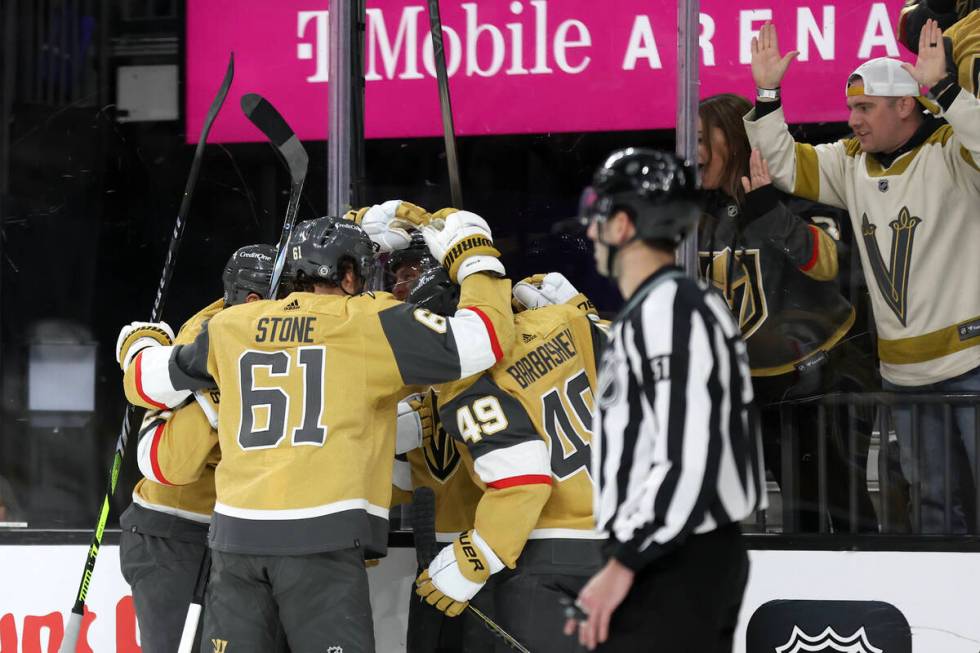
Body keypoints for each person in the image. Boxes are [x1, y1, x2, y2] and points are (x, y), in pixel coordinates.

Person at [115, 206, 514, 653]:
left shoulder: (230, 325)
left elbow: (145, 383)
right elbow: (486, 339)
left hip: (235, 544)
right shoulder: (370, 322)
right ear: (348, 276)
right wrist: (476, 258)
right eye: (361, 273)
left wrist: (140, 343)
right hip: (321, 544)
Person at [745, 20, 980, 532]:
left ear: (904, 106)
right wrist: (768, 95)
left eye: (864, 108)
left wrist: (945, 88)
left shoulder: (954, 152)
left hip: (971, 363)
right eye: (852, 108)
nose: (851, 120)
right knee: (935, 511)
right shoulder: (853, 162)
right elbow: (785, 164)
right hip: (903, 374)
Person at [564, 148, 767, 652]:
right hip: (670, 552)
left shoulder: (672, 310)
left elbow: (686, 457)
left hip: (675, 558)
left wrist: (624, 563)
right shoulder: (659, 309)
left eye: (600, 217)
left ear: (625, 224)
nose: (591, 231)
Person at [697, 93, 877, 533]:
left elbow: (829, 264)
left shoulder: (792, 189)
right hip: (767, 385)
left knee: (845, 508)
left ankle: (868, 594)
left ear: (736, 139)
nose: (693, 152)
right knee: (799, 516)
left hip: (829, 375)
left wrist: (768, 213)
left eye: (702, 139)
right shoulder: (703, 215)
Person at [410, 267, 607, 653]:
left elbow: (525, 481)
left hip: (546, 554)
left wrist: (472, 560)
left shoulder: (468, 382)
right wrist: (584, 310)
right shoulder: (566, 319)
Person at [117, 243, 278, 653]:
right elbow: (164, 466)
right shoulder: (197, 344)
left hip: (238, 536)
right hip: (170, 532)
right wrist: (216, 398)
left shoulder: (254, 335)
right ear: (254, 299)